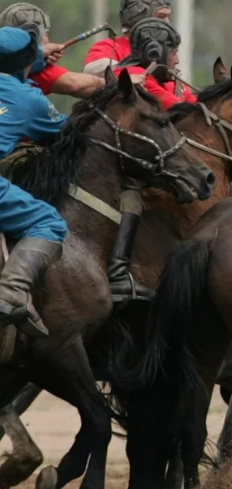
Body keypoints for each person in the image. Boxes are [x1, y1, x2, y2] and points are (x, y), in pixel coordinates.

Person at [105, 18, 194, 303]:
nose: (177, 58)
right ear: (154, 52)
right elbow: (185, 110)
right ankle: (118, 272)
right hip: (117, 171)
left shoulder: (156, 79)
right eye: (174, 51)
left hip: (137, 163)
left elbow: (193, 100)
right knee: (132, 197)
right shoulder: (134, 78)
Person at [0, 27, 68, 338]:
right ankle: (10, 293)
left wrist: (37, 57)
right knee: (49, 222)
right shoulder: (30, 100)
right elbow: (63, 136)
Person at [0, 3, 138, 98]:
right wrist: (121, 82)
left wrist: (38, 57)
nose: (48, 39)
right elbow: (74, 84)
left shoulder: (11, 62)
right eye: (46, 34)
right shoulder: (35, 71)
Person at [83, 0, 172, 77]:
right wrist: (141, 74)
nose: (168, 22)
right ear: (137, 17)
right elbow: (93, 69)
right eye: (161, 17)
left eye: (168, 17)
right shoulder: (109, 47)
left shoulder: (163, 54)